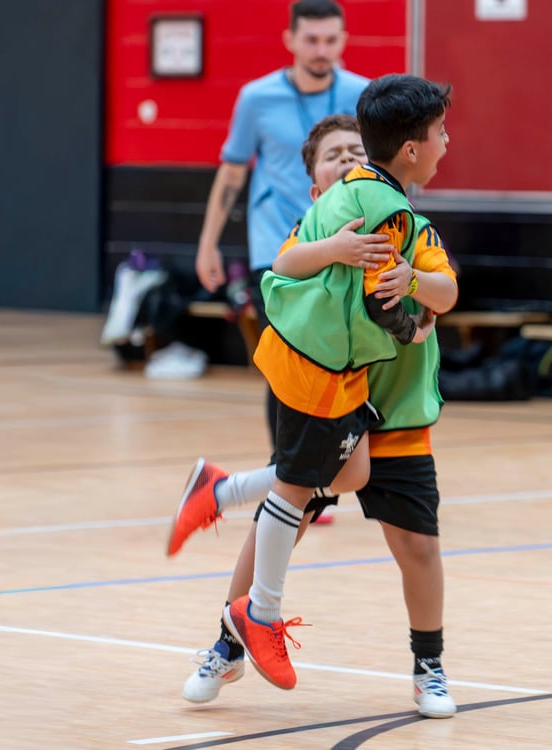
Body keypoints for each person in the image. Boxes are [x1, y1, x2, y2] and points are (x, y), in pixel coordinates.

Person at [169, 77, 455, 710]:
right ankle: (232, 639)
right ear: (318, 187)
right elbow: (285, 267)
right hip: (328, 392)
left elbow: (444, 293)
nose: (351, 161)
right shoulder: (318, 234)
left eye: (358, 151)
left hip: (395, 410)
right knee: (289, 511)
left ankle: (428, 665)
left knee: (416, 543)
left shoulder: (411, 228)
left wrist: (414, 289)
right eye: (336, 156)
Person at [195, 0, 369, 452]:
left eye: (330, 40)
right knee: (288, 357)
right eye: (310, 39)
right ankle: (285, 467)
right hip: (276, 248)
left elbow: (387, 174)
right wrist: (208, 244)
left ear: (343, 41)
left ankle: (329, 465)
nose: (320, 50)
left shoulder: (362, 94)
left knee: (342, 356)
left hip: (347, 243)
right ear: (290, 40)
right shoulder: (257, 97)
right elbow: (233, 173)